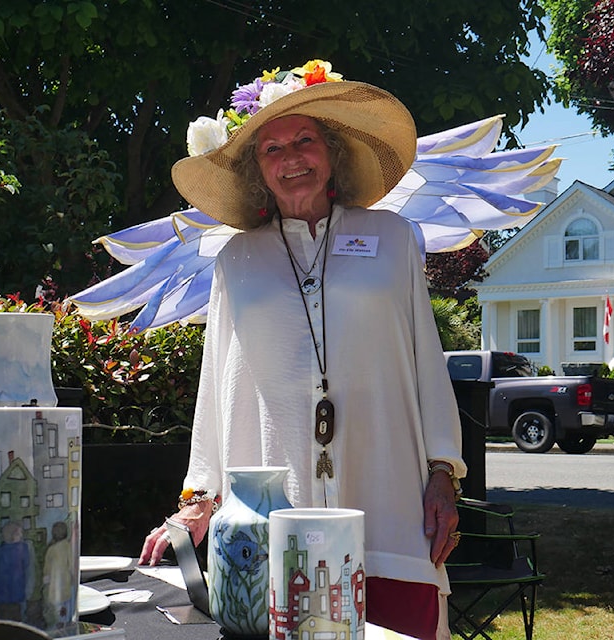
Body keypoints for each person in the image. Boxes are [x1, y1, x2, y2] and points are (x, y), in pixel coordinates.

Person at [138, 60, 465, 639]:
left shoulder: (392, 238)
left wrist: (444, 472)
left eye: (304, 140)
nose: (291, 159)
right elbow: (218, 384)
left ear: (332, 152)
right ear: (257, 169)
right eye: (271, 148)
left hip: (386, 489)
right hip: (272, 507)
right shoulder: (235, 260)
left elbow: (425, 361)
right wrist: (199, 499)